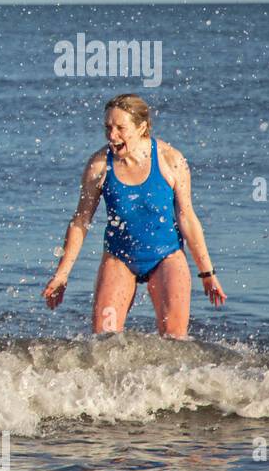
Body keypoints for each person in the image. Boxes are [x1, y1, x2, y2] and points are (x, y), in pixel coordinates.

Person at [43, 94, 225, 336]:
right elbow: (81, 221)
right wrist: (62, 274)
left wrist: (207, 273)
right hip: (119, 258)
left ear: (141, 127)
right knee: (104, 342)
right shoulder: (99, 166)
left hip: (167, 258)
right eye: (108, 127)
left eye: (120, 128)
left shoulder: (171, 160)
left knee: (175, 342)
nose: (112, 135)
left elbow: (187, 218)